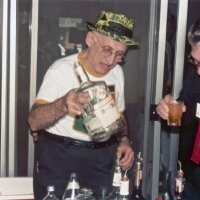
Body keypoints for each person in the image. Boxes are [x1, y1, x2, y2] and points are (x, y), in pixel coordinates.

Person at [28, 11, 138, 200]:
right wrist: (63, 105)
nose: (111, 60)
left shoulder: (117, 72)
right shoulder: (61, 69)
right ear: (90, 39)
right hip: (60, 157)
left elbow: (119, 114)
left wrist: (125, 140)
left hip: (102, 158)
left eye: (119, 54)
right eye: (107, 50)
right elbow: (34, 121)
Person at [156, 18, 200, 199]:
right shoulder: (195, 75)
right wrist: (168, 109)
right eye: (196, 62)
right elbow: (187, 109)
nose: (199, 71)